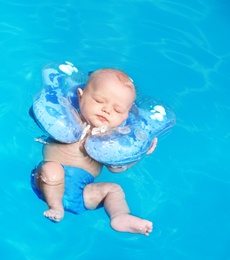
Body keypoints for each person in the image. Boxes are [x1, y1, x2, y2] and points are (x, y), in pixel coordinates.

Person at [31, 68, 157, 236]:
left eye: (118, 110)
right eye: (99, 100)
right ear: (81, 96)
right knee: (52, 169)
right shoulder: (68, 119)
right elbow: (38, 114)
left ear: (125, 117)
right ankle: (55, 207)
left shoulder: (112, 140)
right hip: (47, 183)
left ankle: (120, 216)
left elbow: (116, 167)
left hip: (82, 193)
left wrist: (140, 154)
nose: (107, 110)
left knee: (113, 189)